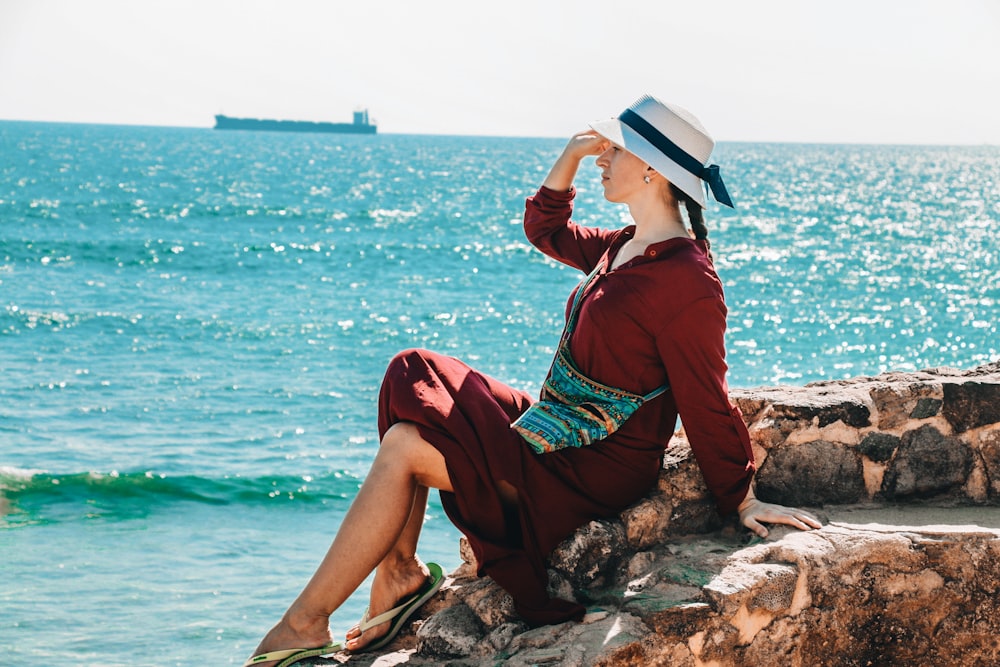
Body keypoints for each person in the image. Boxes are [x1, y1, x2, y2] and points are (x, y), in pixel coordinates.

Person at [243, 94, 822, 667]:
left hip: (594, 463)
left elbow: (704, 395)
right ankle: (397, 573)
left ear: (652, 168)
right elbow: (546, 230)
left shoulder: (686, 279)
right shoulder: (626, 246)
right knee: (410, 371)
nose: (602, 159)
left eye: (613, 151)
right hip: (553, 424)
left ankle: (307, 620)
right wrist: (567, 159)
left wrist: (741, 496)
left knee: (404, 448)